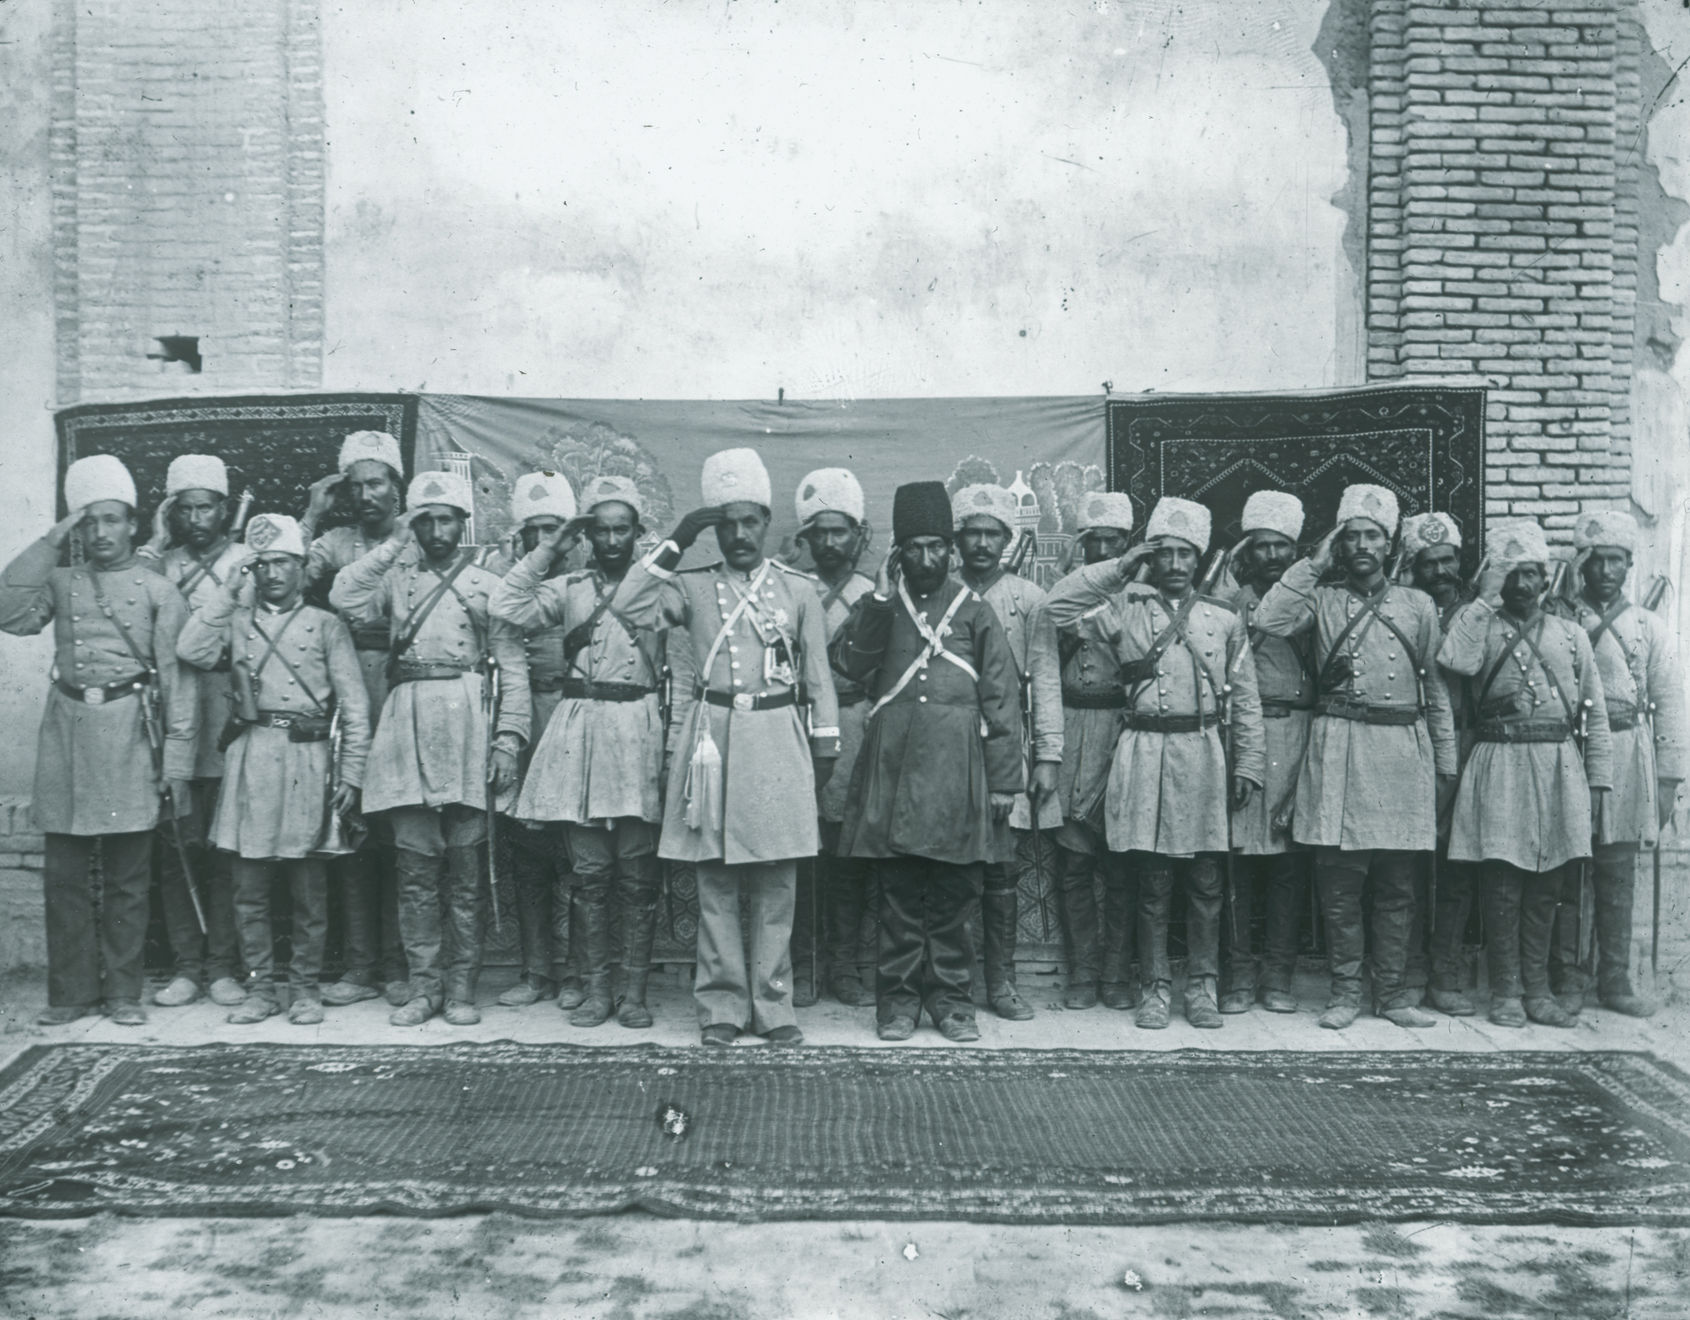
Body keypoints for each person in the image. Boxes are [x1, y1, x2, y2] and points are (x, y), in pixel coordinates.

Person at [612, 448, 839, 1047]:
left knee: (776, 880)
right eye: (726, 523)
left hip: (776, 741)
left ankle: (773, 1003)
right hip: (711, 742)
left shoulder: (797, 590)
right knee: (714, 881)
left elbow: (818, 677)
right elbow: (627, 605)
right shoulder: (689, 586)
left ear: (766, 523)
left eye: (749, 522)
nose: (738, 535)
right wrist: (677, 541)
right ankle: (721, 1007)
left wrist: (825, 748)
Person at [1044, 497, 1265, 1030]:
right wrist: (1120, 567)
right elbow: (1056, 609)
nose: (1173, 564)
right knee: (1153, 879)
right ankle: (1155, 987)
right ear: (1149, 557)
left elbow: (1247, 699)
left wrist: (1249, 764)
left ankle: (1204, 987)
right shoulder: (1125, 610)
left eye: (1184, 554)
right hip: (1143, 750)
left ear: (1199, 559)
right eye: (1163, 553)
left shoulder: (1224, 618)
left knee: (1208, 880)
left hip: (1205, 752)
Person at [0, 455, 197, 1026]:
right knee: (63, 875)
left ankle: (121, 994)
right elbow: (8, 612)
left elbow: (179, 686)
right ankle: (70, 994)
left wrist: (176, 766)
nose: (102, 533)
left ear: (134, 524)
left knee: (127, 879)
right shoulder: (59, 582)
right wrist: (52, 536)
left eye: (112, 520)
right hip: (66, 735)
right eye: (90, 523)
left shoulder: (159, 591)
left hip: (132, 734)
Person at [330, 469, 531, 1028]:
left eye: (446, 519)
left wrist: (508, 741)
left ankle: (462, 986)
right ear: (413, 523)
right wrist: (396, 542)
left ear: (463, 523)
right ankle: (424, 987)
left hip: (469, 724)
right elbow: (342, 594)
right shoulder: (396, 580)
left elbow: (512, 668)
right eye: (426, 520)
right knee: (416, 872)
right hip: (407, 726)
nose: (437, 530)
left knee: (466, 874)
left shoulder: (490, 585)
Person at [1253, 484, 1456, 1030]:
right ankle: (1344, 994)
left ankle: (1391, 995)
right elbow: (1269, 620)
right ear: (1339, 545)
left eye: (1373, 536)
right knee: (1340, 885)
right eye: (1352, 537)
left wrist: (1445, 765)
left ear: (1389, 546)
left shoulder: (1418, 606)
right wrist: (1312, 562)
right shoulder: (1320, 599)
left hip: (1400, 750)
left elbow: (1435, 691)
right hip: (1339, 744)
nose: (1362, 545)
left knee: (1396, 884)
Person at [831, 480, 1024, 1042]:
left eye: (936, 546)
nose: (926, 558)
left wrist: (1003, 781)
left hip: (959, 770)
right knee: (897, 893)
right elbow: (849, 664)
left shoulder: (975, 611)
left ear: (952, 549)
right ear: (899, 552)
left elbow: (1001, 698)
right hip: (893, 768)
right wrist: (880, 600)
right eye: (913, 547)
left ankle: (951, 1002)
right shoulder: (883, 605)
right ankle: (897, 1004)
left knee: (954, 895)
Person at [176, 513, 371, 1024]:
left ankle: (305, 989)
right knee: (249, 887)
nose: (272, 573)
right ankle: (261, 989)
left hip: (309, 759)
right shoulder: (237, 622)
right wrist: (228, 588)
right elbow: (190, 648)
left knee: (309, 888)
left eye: (282, 562)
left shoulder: (328, 625)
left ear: (303, 567)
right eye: (261, 564)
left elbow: (354, 708)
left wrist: (350, 775)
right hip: (252, 756)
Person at [492, 473, 668, 1029]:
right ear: (588, 535)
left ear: (638, 533)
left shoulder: (661, 588)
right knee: (590, 872)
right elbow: (506, 602)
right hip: (580, 732)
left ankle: (633, 993)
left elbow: (681, 672)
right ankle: (596, 992)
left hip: (639, 728)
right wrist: (551, 546)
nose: (613, 541)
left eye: (623, 530)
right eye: (602, 531)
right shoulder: (568, 591)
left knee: (637, 876)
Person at [1438, 519, 1611, 1028]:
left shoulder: (1571, 634)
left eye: (1532, 573)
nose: (1522, 584)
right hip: (1498, 761)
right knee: (1502, 881)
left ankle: (1538, 991)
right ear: (1497, 578)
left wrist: (1598, 781)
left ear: (1546, 578)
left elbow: (1594, 714)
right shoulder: (1478, 627)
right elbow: (1454, 660)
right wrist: (1484, 598)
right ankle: (1507, 991)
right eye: (1511, 574)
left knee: (1548, 886)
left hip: (1558, 764)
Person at [1551, 509, 1686, 1018]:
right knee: (1567, 869)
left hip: (1630, 753)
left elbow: (1670, 701)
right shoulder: (1560, 620)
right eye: (1597, 561)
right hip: (1573, 751)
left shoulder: (1649, 626)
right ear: (1581, 564)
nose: (1606, 571)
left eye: (1617, 561)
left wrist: (1669, 776)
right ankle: (1566, 978)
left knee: (1617, 871)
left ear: (1629, 565)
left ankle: (1614, 980)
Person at [303, 430, 411, 1009]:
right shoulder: (335, 542)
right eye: (357, 486)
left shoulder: (418, 540)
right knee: (351, 832)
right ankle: (360, 964)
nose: (368, 495)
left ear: (397, 488)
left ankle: (398, 965)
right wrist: (310, 514)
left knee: (398, 832)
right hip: (344, 695)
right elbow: (288, 576)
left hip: (401, 693)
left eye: (378, 483)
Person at [136, 454, 247, 1011]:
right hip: (173, 720)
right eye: (187, 509)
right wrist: (155, 540)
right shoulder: (160, 564)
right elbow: (132, 608)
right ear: (174, 514)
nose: (198, 518)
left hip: (231, 718)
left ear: (224, 509)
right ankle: (186, 965)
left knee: (225, 850)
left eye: (207, 507)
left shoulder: (247, 561)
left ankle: (225, 967)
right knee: (177, 847)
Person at [950, 483, 1062, 1021]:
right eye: (971, 532)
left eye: (991, 533)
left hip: (1005, 746)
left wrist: (1047, 757)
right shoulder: (940, 593)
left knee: (1001, 871)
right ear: (957, 539)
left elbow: (1045, 679)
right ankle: (947, 982)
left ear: (1006, 539)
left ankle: (1002, 982)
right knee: (948, 868)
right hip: (947, 746)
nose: (981, 543)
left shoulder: (1030, 600)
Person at [1042, 491, 1136, 1011]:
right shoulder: (1059, 596)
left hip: (1126, 730)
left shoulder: (1143, 594)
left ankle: (1117, 974)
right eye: (1093, 541)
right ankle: (1080, 973)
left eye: (1113, 541)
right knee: (1075, 864)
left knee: (1120, 866)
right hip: (1073, 726)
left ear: (1128, 543)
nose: (1102, 548)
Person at [1225, 490, 1314, 1015]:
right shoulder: (1225, 603)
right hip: (1241, 733)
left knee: (1288, 864)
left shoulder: (1312, 602)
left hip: (1300, 733)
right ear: (1247, 552)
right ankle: (1237, 976)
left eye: (1283, 547)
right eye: (1263, 547)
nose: (1273, 557)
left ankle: (1278, 976)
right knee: (1238, 863)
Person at [791, 468, 877, 1008]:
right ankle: (802, 965)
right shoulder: (789, 589)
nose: (828, 542)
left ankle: (844, 965)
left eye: (839, 531)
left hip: (857, 727)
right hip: (797, 728)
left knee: (848, 856)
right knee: (801, 856)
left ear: (858, 534)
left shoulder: (877, 596)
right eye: (818, 532)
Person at [1401, 511, 1483, 1016]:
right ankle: (1405, 971)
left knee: (1457, 865)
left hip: (1470, 742)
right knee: (1404, 864)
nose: (1439, 571)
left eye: (1447, 560)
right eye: (1427, 563)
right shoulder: (1398, 607)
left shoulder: (1481, 612)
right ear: (1412, 566)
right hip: (1411, 741)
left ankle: (1445, 972)